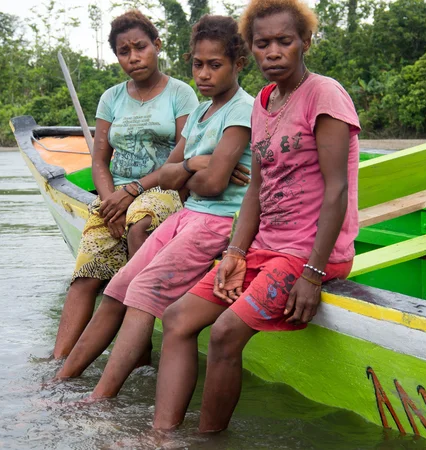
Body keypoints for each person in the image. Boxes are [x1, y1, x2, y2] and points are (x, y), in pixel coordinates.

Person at [152, 0, 361, 433]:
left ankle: (207, 440)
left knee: (226, 332)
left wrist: (313, 273)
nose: (273, 52)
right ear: (252, 48)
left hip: (307, 253)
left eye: (284, 41)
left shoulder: (324, 94)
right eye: (262, 44)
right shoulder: (263, 102)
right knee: (176, 318)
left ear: (304, 41)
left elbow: (337, 189)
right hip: (264, 248)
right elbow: (255, 191)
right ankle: (162, 435)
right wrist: (234, 251)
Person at [54, 15, 254, 401]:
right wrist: (193, 165)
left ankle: (99, 398)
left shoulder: (240, 110)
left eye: (215, 65)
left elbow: (211, 185)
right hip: (188, 213)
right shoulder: (201, 112)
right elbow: (169, 172)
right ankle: (61, 378)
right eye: (199, 65)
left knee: (142, 286)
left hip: (215, 219)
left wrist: (184, 173)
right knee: (116, 287)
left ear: (238, 64)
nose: (205, 74)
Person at [53, 10, 199, 359]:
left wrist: (131, 192)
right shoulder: (112, 98)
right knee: (87, 271)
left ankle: (139, 342)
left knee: (140, 227)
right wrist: (109, 203)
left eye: (140, 47)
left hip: (165, 192)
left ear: (157, 46)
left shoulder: (181, 94)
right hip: (115, 197)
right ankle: (58, 359)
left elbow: (181, 160)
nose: (133, 58)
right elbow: (100, 160)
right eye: (123, 51)